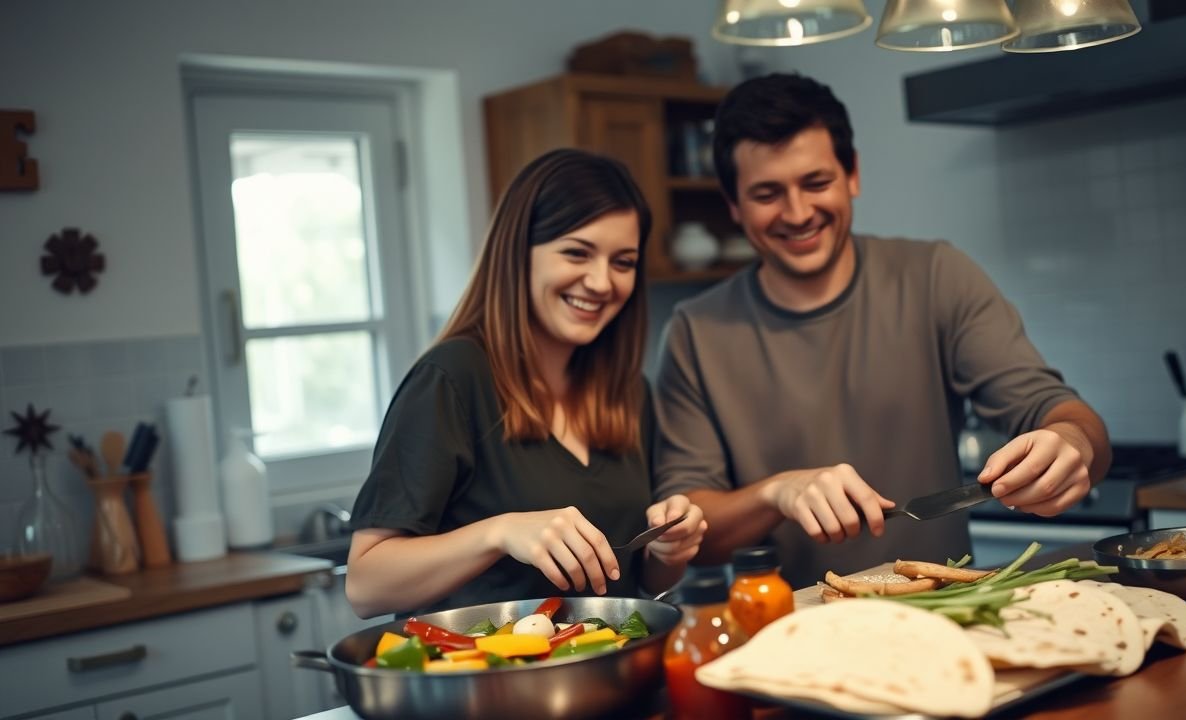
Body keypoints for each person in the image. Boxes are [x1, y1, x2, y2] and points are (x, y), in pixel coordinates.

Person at [653, 73, 1111, 587]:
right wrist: (776, 491)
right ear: (733, 203)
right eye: (767, 193)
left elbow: (1057, 410)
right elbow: (687, 533)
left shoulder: (936, 275)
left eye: (816, 182)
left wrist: (1072, 442)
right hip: (782, 634)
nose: (798, 212)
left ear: (852, 175)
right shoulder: (696, 332)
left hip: (941, 617)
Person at [346, 148, 706, 617]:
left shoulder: (629, 392)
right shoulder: (452, 378)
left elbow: (640, 580)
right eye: (577, 252)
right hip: (477, 680)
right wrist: (499, 533)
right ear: (519, 254)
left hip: (610, 673)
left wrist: (670, 551)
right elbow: (366, 585)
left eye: (623, 262)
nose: (601, 282)